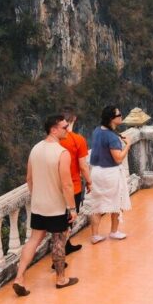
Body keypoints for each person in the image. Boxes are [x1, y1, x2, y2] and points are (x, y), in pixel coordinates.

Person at [13, 114, 78, 295]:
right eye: (64, 127)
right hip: (55, 206)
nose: (67, 130)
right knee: (59, 240)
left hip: (39, 205)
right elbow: (66, 184)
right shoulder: (61, 153)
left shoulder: (35, 149)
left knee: (34, 240)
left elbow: (29, 178)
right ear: (53, 130)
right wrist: (72, 208)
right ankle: (61, 278)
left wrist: (37, 196)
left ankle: (19, 277)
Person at [87, 105, 132, 243]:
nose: (121, 117)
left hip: (96, 172)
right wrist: (128, 145)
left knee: (97, 204)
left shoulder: (97, 131)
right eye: (119, 115)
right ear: (112, 119)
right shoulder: (112, 137)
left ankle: (95, 235)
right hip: (110, 173)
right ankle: (114, 231)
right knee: (116, 202)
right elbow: (118, 158)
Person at [58, 107, 91, 255]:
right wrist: (89, 182)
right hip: (73, 187)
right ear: (74, 119)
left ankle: (66, 246)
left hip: (55, 187)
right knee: (68, 221)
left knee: (59, 220)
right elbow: (83, 166)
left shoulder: (54, 140)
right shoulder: (78, 140)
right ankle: (59, 254)